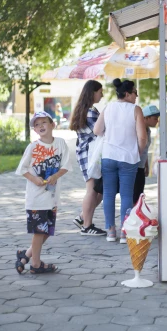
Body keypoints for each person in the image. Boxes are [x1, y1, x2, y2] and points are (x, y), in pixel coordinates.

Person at [14, 111, 70, 274]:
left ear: (53, 125)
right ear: (34, 129)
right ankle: (36, 264)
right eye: (36, 124)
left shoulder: (60, 143)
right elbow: (22, 169)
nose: (40, 126)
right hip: (36, 198)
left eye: (44, 122)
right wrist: (35, 179)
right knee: (40, 231)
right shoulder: (33, 146)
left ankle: (25, 256)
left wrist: (55, 176)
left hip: (52, 197)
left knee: (46, 232)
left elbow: (66, 165)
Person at [94, 79, 147, 243]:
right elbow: (142, 137)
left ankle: (111, 231)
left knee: (108, 194)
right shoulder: (135, 110)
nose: (136, 97)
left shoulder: (108, 107)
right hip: (128, 158)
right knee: (126, 195)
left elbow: (97, 130)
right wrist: (137, 152)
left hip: (108, 156)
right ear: (127, 94)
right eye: (135, 93)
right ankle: (124, 232)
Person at [69, 80, 106, 236]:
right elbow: (102, 131)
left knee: (99, 191)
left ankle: (83, 218)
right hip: (89, 154)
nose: (102, 94)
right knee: (92, 190)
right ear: (93, 93)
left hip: (89, 153)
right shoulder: (90, 112)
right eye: (100, 92)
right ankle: (86, 226)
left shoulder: (87, 110)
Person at [133, 105, 160, 206]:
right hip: (134, 166)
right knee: (135, 194)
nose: (157, 121)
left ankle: (137, 213)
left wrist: (146, 164)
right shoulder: (137, 130)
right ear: (146, 118)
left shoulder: (148, 130)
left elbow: (145, 149)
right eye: (155, 118)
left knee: (139, 193)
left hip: (141, 166)